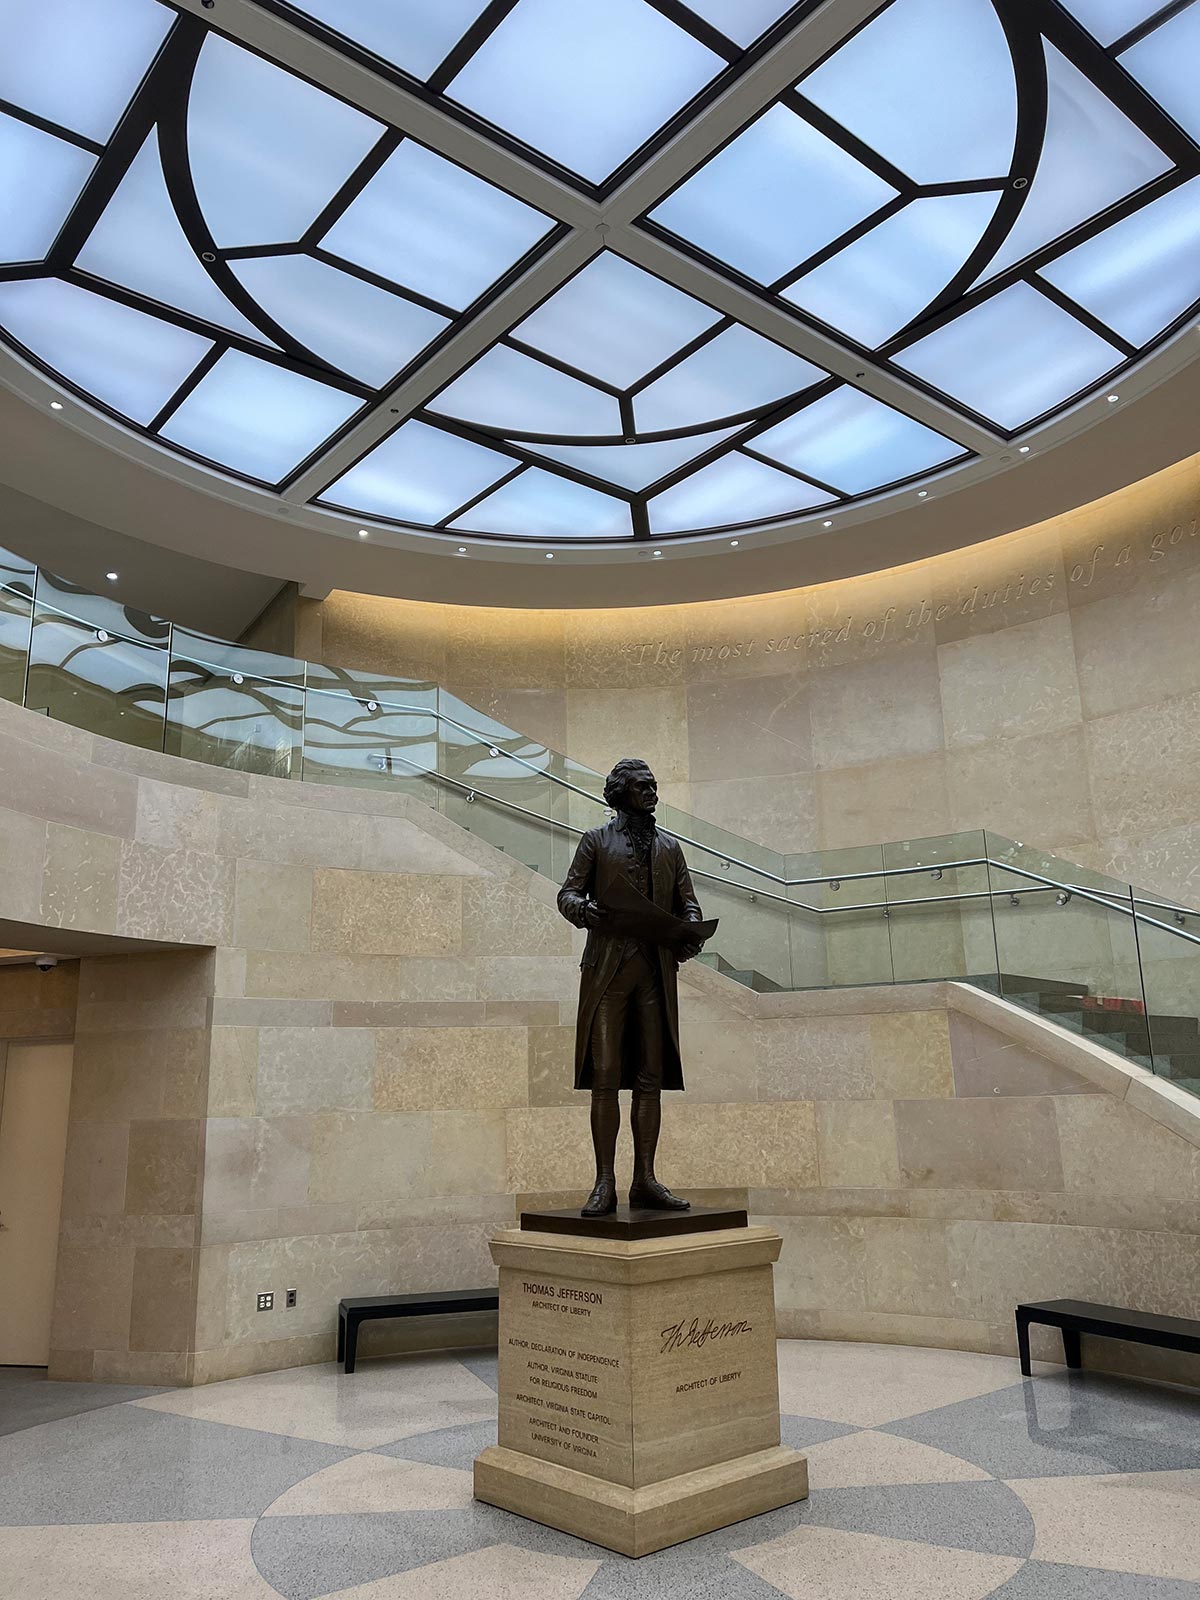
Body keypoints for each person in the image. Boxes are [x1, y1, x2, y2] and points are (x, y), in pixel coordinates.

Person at [557, 757, 706, 1217]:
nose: (652, 792)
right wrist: (586, 912)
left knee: (650, 1079)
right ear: (619, 793)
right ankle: (605, 1181)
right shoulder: (596, 841)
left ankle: (645, 1179)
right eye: (642, 786)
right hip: (608, 974)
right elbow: (567, 894)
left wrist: (690, 932)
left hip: (654, 975)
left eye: (654, 785)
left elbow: (690, 906)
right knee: (605, 1078)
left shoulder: (670, 847)